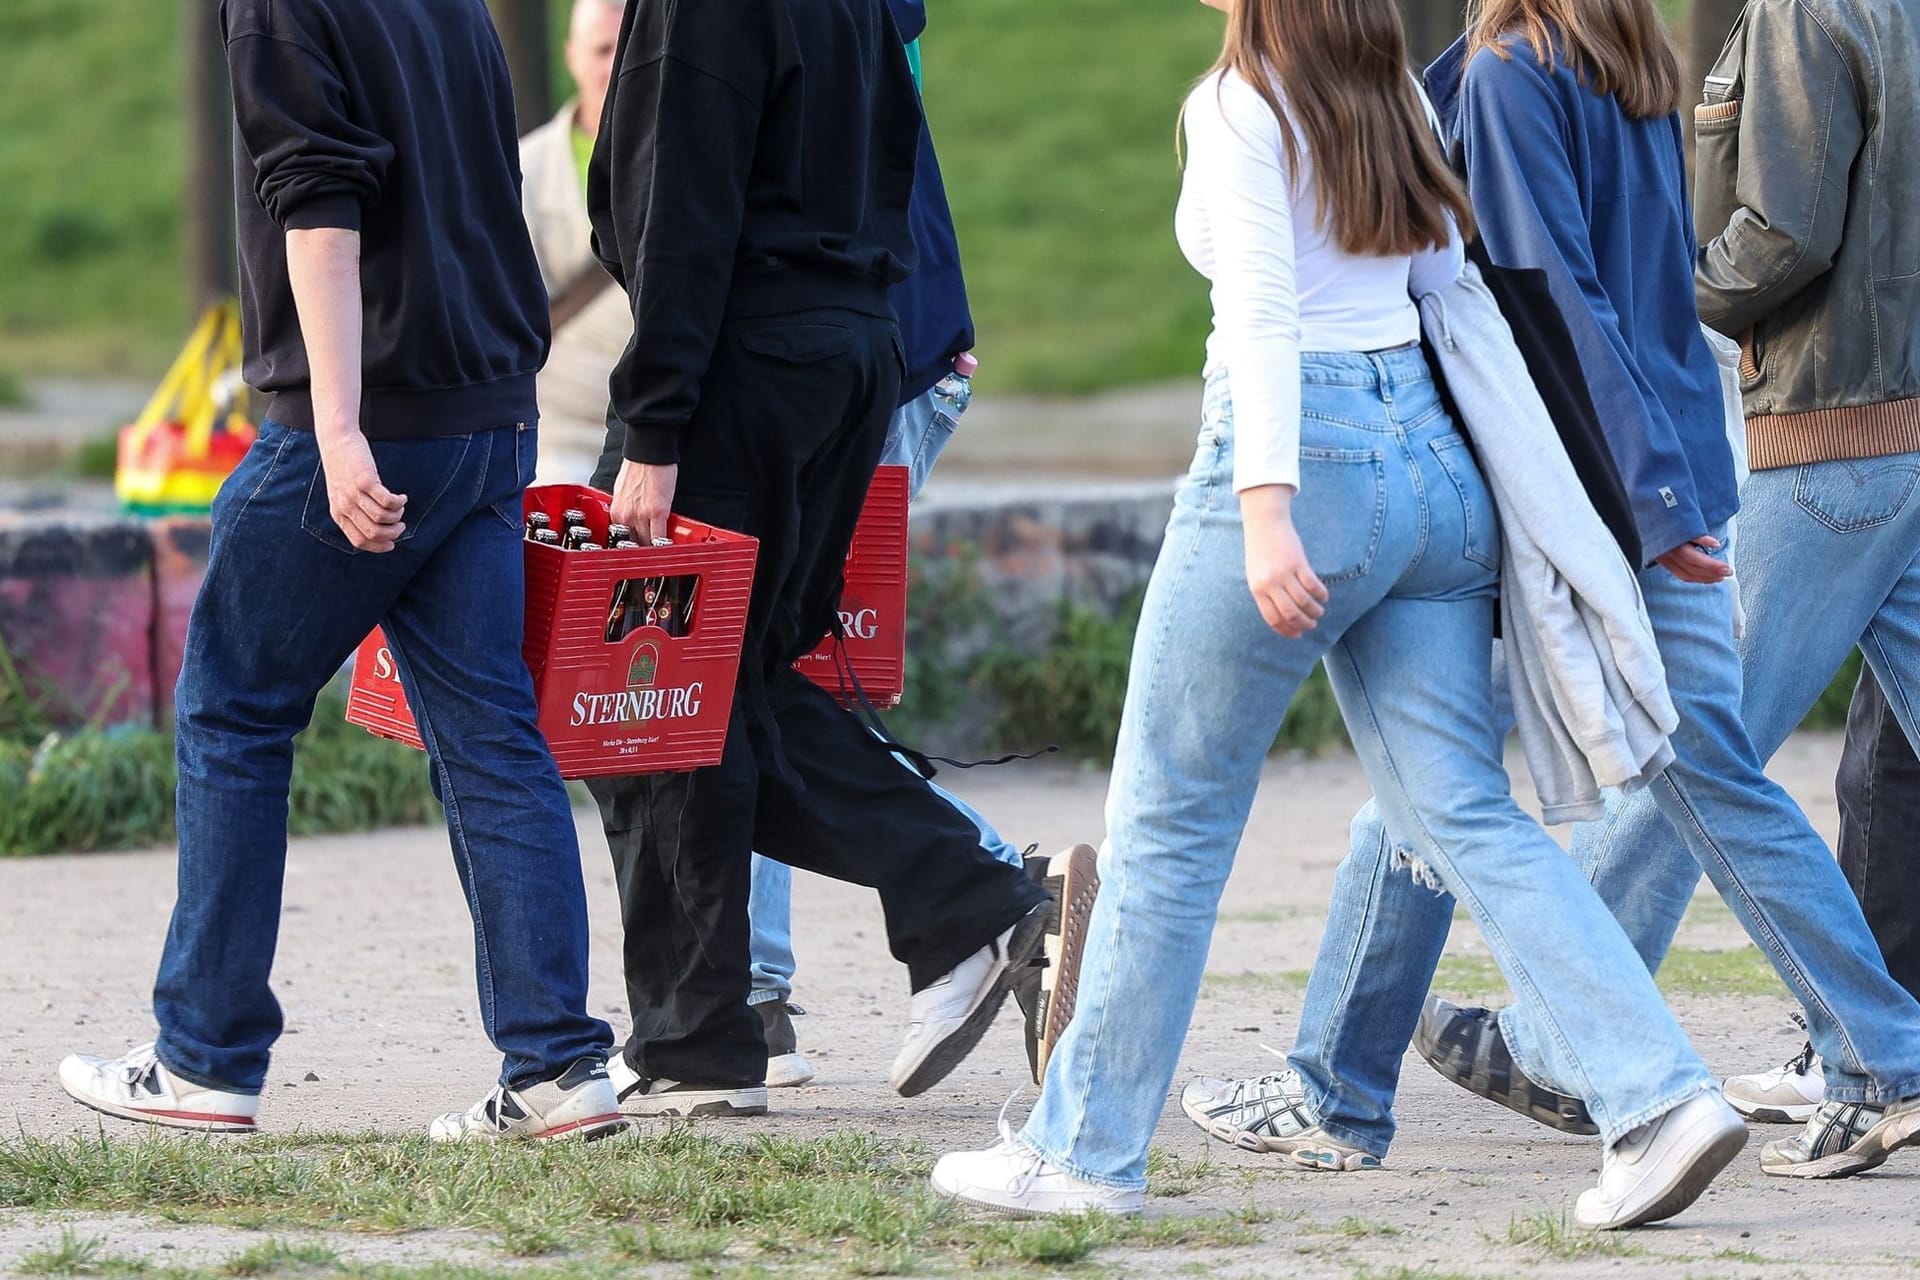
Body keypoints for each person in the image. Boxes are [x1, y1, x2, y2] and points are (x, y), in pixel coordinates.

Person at [933, 0, 1742, 1230]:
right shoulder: (1393, 94)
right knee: (1465, 807)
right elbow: (1442, 288)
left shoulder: (1237, 103)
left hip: (1305, 461)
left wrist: (1267, 513)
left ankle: (1082, 1151)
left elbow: (1264, 314)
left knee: (1168, 818)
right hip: (1432, 475)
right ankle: (1663, 1094)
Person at [1190, 0, 1920, 1186]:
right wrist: (1675, 481)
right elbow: (1645, 285)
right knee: (1649, 771)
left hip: (1571, 479)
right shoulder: (1626, 57)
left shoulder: (1512, 72)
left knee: (1448, 767)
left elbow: (1550, 297)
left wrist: (1650, 500)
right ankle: (1882, 1051)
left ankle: (1338, 1090)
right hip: (1660, 452)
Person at [57, 0, 623, 1141]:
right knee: (492, 734)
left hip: (377, 425)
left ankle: (205, 1056)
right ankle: (560, 1067)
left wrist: (336, 429)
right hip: (486, 420)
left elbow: (320, 209)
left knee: (233, 706)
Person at [581, 0, 1053, 1121]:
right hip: (841, 356)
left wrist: (654, 428)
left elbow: (679, 211)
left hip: (738, 371)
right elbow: (898, 156)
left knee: (644, 697)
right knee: (731, 696)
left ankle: (954, 903)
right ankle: (712, 1028)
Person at [732, 0, 1098, 1093]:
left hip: (865, 362)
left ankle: (992, 898)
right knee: (750, 674)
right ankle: (756, 991)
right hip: (882, 351)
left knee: (746, 676)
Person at [1662, 0, 1920, 1134]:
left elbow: (1784, 231)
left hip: (1838, 430)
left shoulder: (1803, 8)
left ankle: (1567, 1038)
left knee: (1687, 733)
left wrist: (1667, 300)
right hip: (1895, 419)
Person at [519, 0, 632, 486]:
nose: (615, 65)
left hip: (661, 432)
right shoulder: (527, 168)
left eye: (626, 49)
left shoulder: (688, 160)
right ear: (572, 57)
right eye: (602, 49)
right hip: (558, 436)